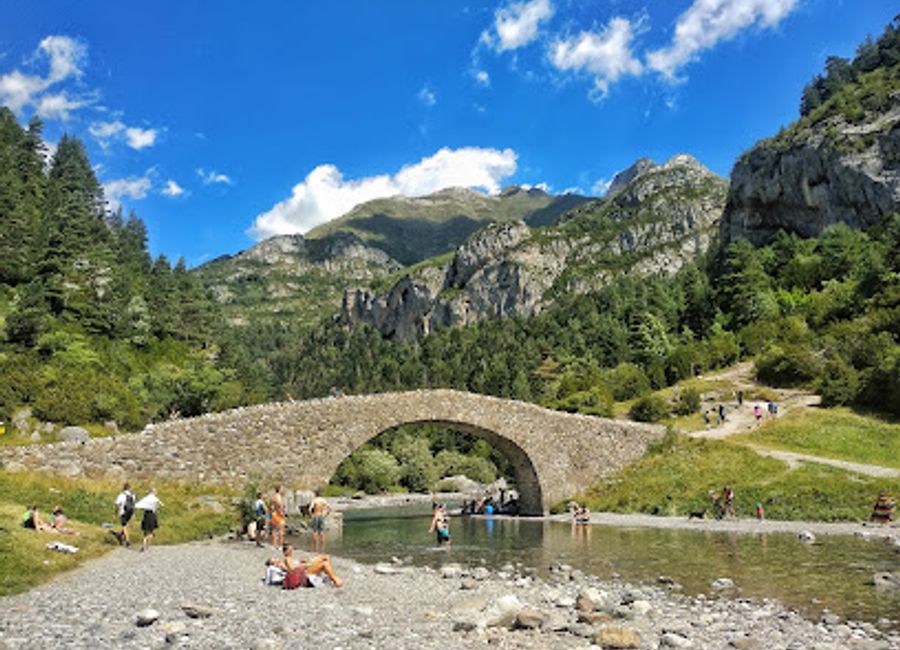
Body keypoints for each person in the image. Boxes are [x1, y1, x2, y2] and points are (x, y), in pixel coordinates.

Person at [267, 544, 343, 588]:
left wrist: (302, 562)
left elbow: (294, 565)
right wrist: (304, 565)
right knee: (324, 563)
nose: (276, 560)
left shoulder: (288, 559)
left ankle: (332, 577)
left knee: (325, 557)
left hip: (304, 568)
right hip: (304, 572)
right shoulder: (286, 560)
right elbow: (292, 570)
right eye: (274, 560)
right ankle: (335, 580)